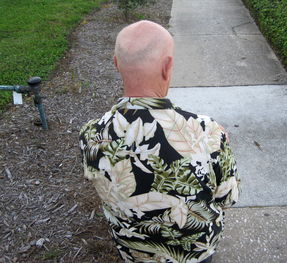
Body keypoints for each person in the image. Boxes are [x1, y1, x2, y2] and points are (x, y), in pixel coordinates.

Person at [79, 20, 240, 263]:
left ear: (116, 64)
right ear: (167, 66)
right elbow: (228, 198)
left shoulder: (91, 134)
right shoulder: (207, 132)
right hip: (193, 253)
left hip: (133, 251)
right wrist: (220, 144)